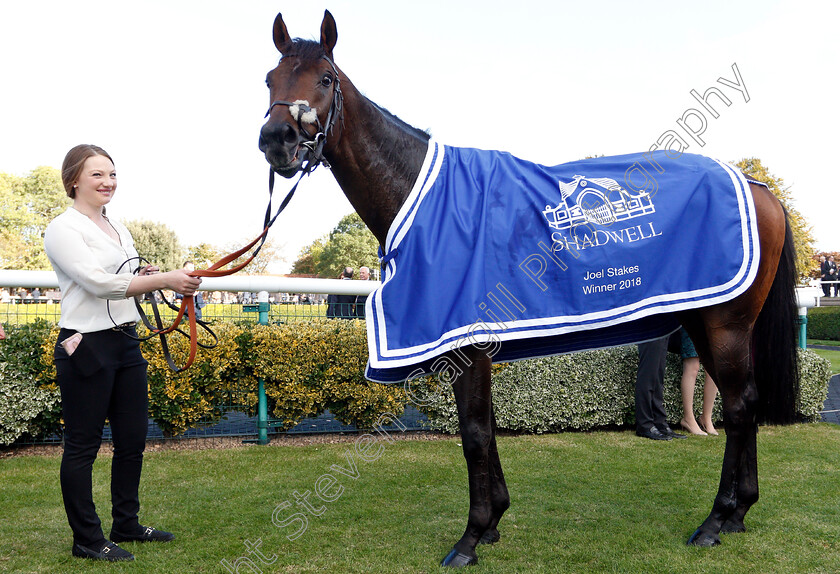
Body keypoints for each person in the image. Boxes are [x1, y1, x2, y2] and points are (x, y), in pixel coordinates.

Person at [44, 144, 201, 562]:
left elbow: (122, 277)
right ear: (74, 179)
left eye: (112, 174)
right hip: (85, 345)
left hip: (125, 341)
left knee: (132, 440)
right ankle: (87, 540)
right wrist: (165, 279)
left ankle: (125, 524)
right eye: (97, 175)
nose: (108, 182)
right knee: (83, 445)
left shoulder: (118, 227)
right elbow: (96, 283)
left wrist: (145, 275)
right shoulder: (63, 228)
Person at [635, 336, 686, 440]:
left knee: (658, 378)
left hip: (661, 325)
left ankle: (659, 423)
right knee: (648, 376)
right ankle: (645, 425)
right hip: (649, 326)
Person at [677, 328, 719, 436]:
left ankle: (706, 418)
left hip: (710, 317)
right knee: (692, 365)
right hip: (691, 316)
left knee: (712, 368)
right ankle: (688, 419)